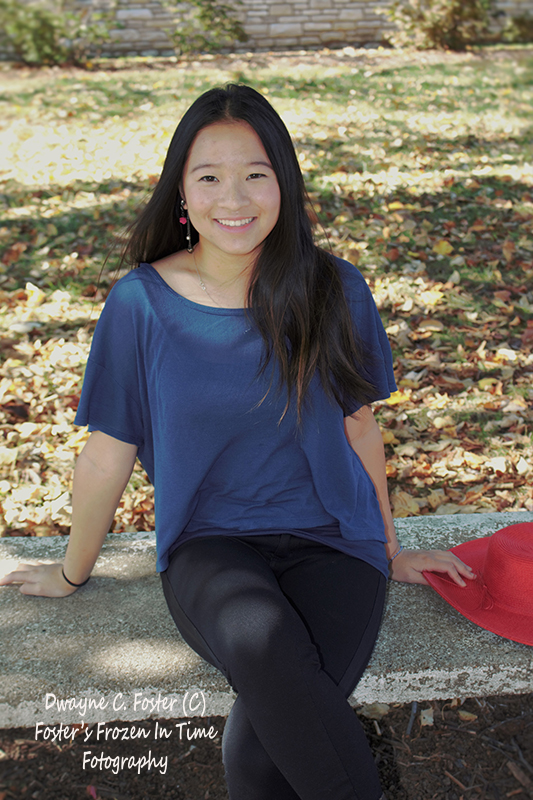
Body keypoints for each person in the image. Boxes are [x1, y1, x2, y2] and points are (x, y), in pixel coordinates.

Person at [0, 84, 475, 800]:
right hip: (210, 545)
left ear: (283, 181)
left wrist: (387, 547)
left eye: (256, 173)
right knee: (264, 650)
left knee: (262, 753)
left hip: (333, 540)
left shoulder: (334, 289)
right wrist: (71, 570)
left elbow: (358, 426)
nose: (236, 197)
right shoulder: (142, 302)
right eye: (209, 176)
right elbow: (108, 449)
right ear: (181, 193)